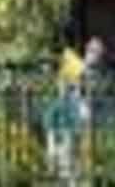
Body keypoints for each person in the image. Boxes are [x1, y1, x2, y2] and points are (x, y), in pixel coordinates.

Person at [43, 36, 103, 183]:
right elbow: (63, 85)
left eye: (98, 53)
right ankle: (61, 173)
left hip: (79, 115)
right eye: (92, 51)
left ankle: (73, 178)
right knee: (60, 146)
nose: (94, 56)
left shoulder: (93, 73)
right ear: (87, 51)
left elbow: (91, 97)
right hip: (66, 111)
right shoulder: (76, 65)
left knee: (76, 151)